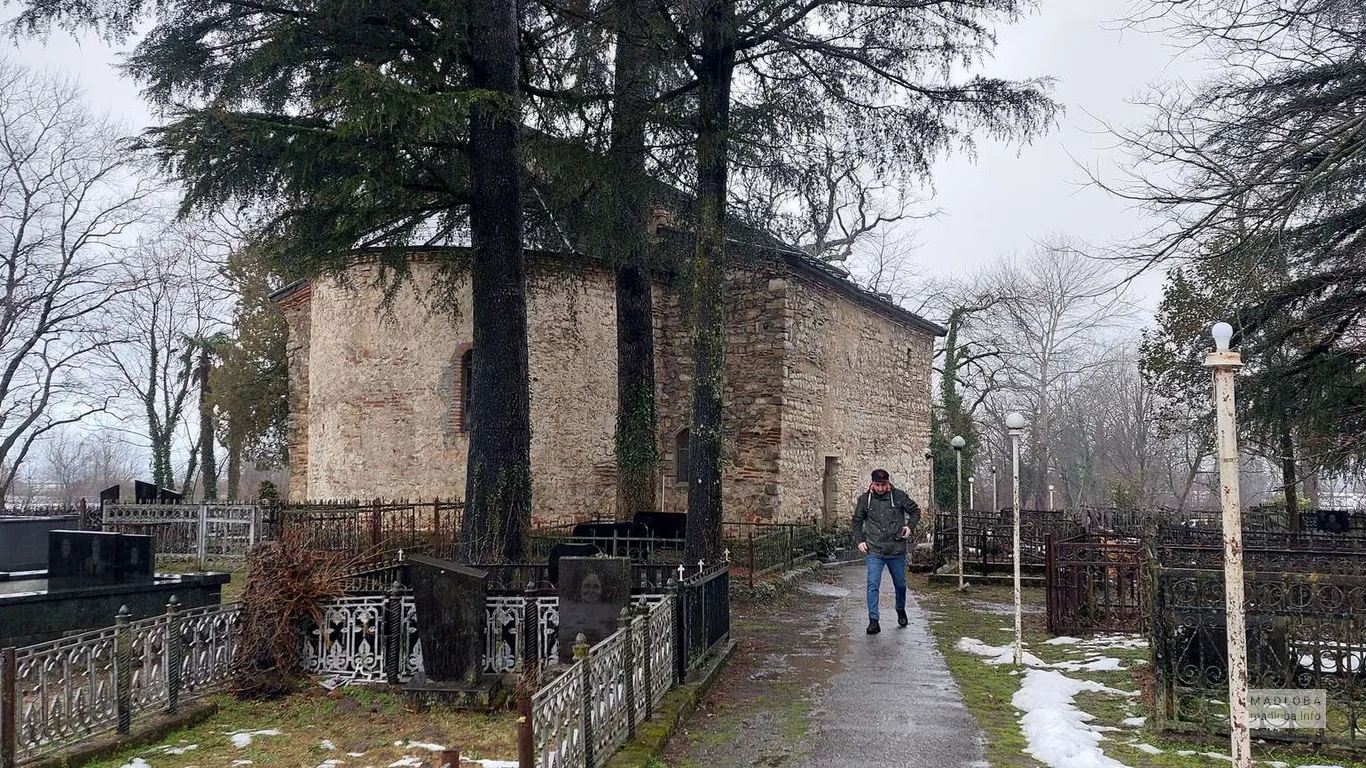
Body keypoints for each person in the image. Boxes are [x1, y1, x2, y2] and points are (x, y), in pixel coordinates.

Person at [852, 468, 922, 634]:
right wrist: (860, 540)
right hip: (874, 549)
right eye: (877, 485)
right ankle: (873, 620)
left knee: (900, 584)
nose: (881, 488)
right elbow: (856, 521)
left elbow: (915, 512)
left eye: (883, 485)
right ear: (872, 483)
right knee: (872, 584)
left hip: (896, 549)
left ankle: (900, 609)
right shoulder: (865, 500)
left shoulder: (898, 496)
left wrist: (909, 527)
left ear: (888, 483)